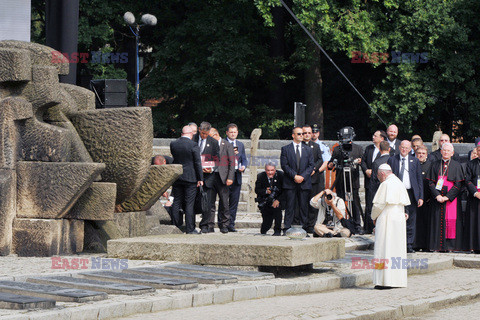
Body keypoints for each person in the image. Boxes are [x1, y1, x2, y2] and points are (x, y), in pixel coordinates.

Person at [372, 164, 410, 289]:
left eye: (378, 175)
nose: (378, 178)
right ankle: (397, 281)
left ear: (382, 173)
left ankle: (384, 281)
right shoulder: (399, 182)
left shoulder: (386, 184)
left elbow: (378, 205)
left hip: (387, 217)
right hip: (398, 217)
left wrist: (373, 217)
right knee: (396, 248)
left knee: (383, 247)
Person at [426, 142, 464, 251]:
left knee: (450, 221)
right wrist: (437, 196)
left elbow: (458, 184)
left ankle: (450, 247)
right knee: (436, 221)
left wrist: (447, 197)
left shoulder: (457, 165)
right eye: (444, 150)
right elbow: (431, 183)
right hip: (437, 198)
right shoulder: (435, 164)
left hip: (451, 200)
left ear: (452, 153)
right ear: (441, 151)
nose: (446, 152)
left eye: (448, 151)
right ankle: (436, 246)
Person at [387, 140, 424, 253]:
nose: (404, 149)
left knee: (411, 220)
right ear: (399, 147)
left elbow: (419, 180)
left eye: (406, 148)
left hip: (411, 193)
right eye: (402, 147)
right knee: (397, 218)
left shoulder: (415, 161)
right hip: (397, 193)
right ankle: (397, 244)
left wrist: (420, 196)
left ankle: (409, 244)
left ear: (410, 149)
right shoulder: (392, 160)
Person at [328, 126, 364, 234]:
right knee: (340, 202)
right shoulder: (337, 149)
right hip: (340, 181)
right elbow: (331, 163)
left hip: (353, 181)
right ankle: (342, 223)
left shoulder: (358, 148)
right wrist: (331, 164)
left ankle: (357, 225)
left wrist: (359, 161)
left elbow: (363, 161)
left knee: (355, 203)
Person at [169, 125, 204, 234]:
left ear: (182, 133)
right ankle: (189, 229)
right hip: (190, 177)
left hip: (177, 176)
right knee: (189, 203)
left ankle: (175, 226)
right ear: (191, 134)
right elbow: (197, 163)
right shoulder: (193, 145)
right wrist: (200, 178)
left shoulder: (173, 144)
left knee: (176, 201)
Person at [280, 127, 314, 234]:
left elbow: (311, 165)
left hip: (304, 182)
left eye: (302, 134)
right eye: (299, 134)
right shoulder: (286, 149)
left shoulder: (308, 149)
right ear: (293, 135)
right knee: (290, 206)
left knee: (303, 206)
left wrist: (302, 176)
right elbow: (284, 165)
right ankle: (287, 228)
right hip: (290, 182)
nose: (302, 136)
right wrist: (294, 176)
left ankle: (303, 229)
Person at [193, 121, 220, 233]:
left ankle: (204, 225)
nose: (203, 136)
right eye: (202, 133)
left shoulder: (213, 142)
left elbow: (217, 159)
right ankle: (190, 224)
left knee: (207, 202)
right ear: (199, 130)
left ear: (209, 132)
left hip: (208, 176)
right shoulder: (192, 139)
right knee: (192, 200)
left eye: (206, 133)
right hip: (194, 175)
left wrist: (211, 168)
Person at [208, 128, 235, 233]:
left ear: (216, 135)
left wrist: (230, 177)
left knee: (224, 202)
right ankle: (210, 224)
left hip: (223, 177)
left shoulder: (227, 144)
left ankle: (224, 224)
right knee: (210, 202)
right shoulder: (209, 145)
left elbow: (232, 162)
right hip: (211, 176)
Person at [361, 130, 388, 234]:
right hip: (369, 181)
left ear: (382, 138)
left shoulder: (388, 151)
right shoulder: (369, 149)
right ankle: (367, 227)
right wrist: (366, 170)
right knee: (369, 205)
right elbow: (363, 161)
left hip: (379, 183)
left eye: (375, 136)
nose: (373, 137)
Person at [302, 125, 324, 234]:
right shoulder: (299, 145)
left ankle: (311, 225)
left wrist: (314, 168)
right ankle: (302, 224)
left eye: (309, 133)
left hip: (313, 178)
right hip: (302, 178)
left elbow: (320, 159)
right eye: (304, 133)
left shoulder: (315, 146)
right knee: (302, 203)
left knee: (312, 203)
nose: (307, 135)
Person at [226, 123, 248, 232]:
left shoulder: (240, 144)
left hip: (237, 175)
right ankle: (223, 223)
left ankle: (231, 224)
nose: (233, 134)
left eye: (235, 132)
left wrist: (243, 166)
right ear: (227, 133)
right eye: (231, 132)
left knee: (234, 202)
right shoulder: (223, 143)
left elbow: (244, 158)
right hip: (225, 176)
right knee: (224, 202)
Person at [255, 163, 284, 236]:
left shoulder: (281, 175)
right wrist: (266, 191)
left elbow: (285, 191)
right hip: (266, 200)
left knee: (277, 211)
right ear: (265, 170)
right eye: (268, 170)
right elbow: (257, 190)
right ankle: (264, 230)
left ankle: (277, 230)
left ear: (275, 170)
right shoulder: (261, 176)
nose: (270, 172)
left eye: (272, 170)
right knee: (267, 222)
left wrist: (278, 200)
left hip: (277, 199)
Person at [414, 145, 432, 251]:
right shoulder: (412, 165)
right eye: (419, 153)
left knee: (426, 223)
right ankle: (415, 245)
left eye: (423, 153)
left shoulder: (431, 165)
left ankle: (426, 245)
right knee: (416, 223)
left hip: (428, 199)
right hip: (415, 199)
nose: (421, 155)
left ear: (427, 154)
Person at [464, 138, 480, 252]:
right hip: (474, 198)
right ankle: (473, 246)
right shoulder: (470, 164)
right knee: (474, 222)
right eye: (479, 150)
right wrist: (475, 193)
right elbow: (467, 180)